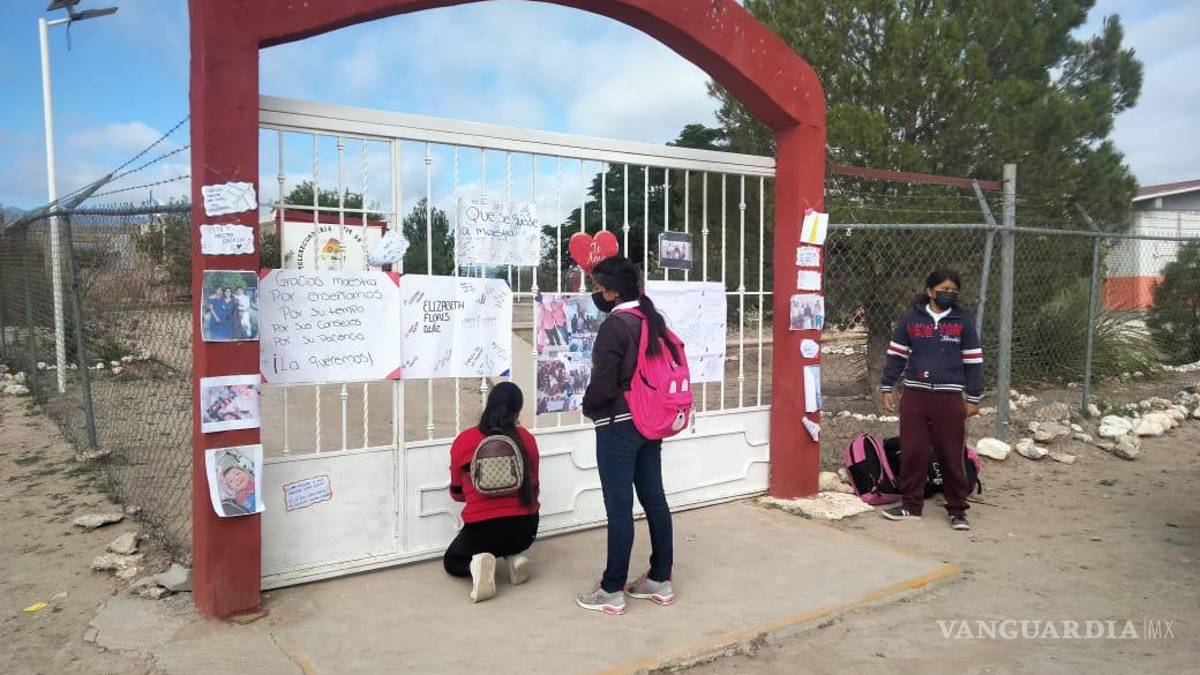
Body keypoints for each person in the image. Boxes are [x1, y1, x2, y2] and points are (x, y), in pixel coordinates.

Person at [577, 256, 676, 615]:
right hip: (651, 421)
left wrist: (588, 406)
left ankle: (612, 588)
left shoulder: (615, 327)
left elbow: (603, 384)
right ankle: (660, 579)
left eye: (600, 288)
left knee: (619, 508)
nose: (597, 294)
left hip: (618, 425)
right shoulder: (653, 321)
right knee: (655, 500)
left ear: (614, 292)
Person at [880, 269, 983, 531]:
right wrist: (887, 386)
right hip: (915, 396)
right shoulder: (911, 319)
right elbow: (896, 354)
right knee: (913, 451)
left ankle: (957, 510)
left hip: (949, 398)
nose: (949, 294)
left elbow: (973, 361)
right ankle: (911, 506)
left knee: (951, 453)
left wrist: (973, 397)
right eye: (943, 289)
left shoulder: (963, 321)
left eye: (953, 290)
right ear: (929, 291)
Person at [444, 382, 540, 603]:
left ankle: (477, 566)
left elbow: (457, 493)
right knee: (506, 535)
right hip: (525, 530)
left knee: (452, 561)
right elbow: (534, 487)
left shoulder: (465, 440)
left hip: (482, 531)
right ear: (517, 411)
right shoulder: (526, 439)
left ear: (489, 404)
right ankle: (513, 557)